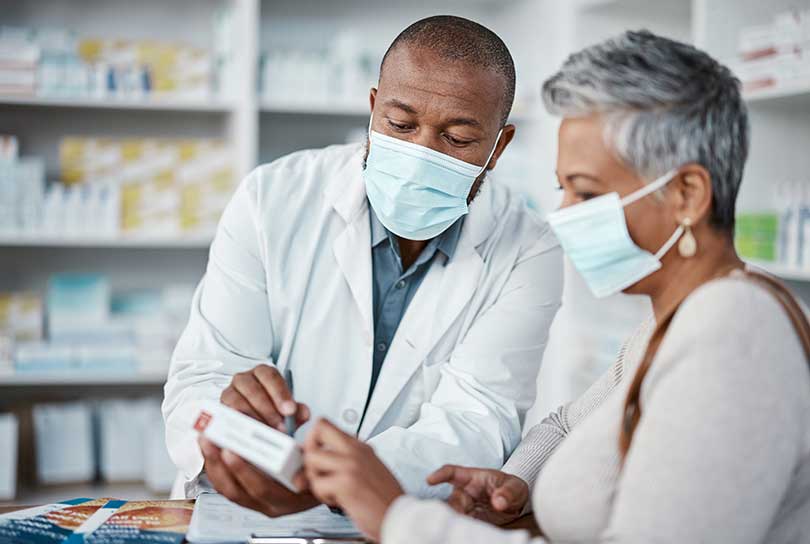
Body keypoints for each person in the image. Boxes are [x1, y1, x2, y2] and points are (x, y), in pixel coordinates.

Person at [302, 30, 810, 543]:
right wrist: (515, 485)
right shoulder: (671, 321)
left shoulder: (735, 336)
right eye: (561, 188)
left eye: (587, 192)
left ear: (687, 195)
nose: (563, 215)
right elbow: (567, 427)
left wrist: (398, 519)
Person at [162, 15, 563, 516]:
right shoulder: (272, 198)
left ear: (498, 147)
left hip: (395, 517)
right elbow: (203, 374)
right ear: (374, 110)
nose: (421, 154)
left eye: (457, 139)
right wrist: (225, 423)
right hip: (239, 510)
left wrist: (335, 476)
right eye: (400, 125)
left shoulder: (530, 248)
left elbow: (479, 419)